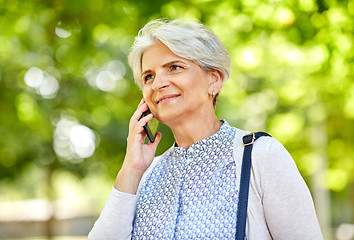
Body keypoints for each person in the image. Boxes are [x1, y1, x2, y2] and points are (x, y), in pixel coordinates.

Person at [88, 19, 323, 240]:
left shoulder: (261, 156)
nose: (158, 84)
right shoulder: (145, 174)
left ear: (214, 80)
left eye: (174, 67)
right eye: (148, 76)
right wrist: (131, 169)